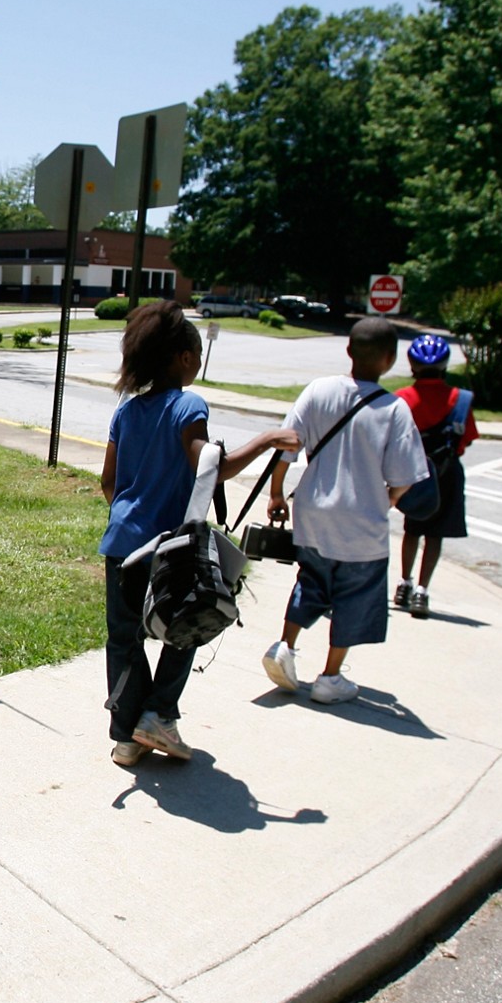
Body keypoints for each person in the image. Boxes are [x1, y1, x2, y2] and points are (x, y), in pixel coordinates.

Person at [100, 300, 299, 765]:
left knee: (124, 639)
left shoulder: (127, 413)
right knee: (184, 626)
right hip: (173, 549)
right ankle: (160, 716)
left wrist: (131, 513)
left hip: (121, 543)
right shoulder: (188, 403)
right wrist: (267, 440)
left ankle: (126, 736)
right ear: (185, 358)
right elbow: (212, 465)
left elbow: (108, 481)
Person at [261, 317, 427, 703]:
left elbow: (288, 444)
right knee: (356, 595)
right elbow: (404, 475)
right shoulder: (394, 409)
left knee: (311, 582)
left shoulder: (318, 391)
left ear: (349, 351)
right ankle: (330, 677)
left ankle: (284, 647)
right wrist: (390, 498)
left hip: (313, 513)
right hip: (362, 522)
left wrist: (276, 493)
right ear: (390, 359)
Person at [393, 333, 479, 618]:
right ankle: (422, 590)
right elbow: (466, 440)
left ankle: (403, 582)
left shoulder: (402, 398)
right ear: (444, 366)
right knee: (435, 534)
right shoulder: (461, 399)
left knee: (412, 527)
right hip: (447, 474)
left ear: (413, 367)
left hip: (413, 473)